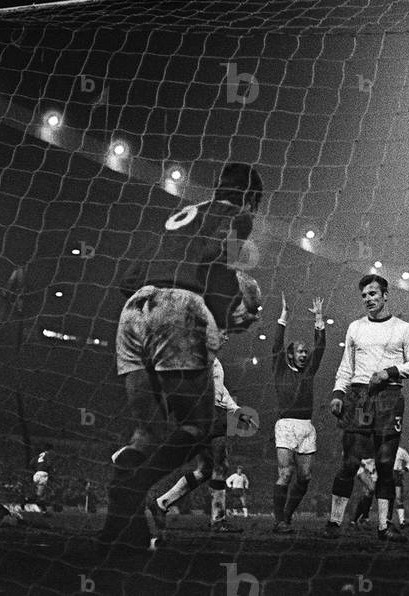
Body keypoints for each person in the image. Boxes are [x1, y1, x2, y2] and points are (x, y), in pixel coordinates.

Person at [102, 162, 263, 553]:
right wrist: (232, 312)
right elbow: (219, 264)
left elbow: (127, 280)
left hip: (133, 309)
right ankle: (135, 485)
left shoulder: (179, 216)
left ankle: (119, 529)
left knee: (146, 432)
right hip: (179, 306)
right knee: (198, 426)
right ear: (252, 199)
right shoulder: (238, 216)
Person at [324, 274, 409, 543]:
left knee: (385, 463)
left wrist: (388, 372)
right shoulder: (355, 328)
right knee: (350, 461)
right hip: (360, 397)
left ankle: (384, 527)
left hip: (389, 397)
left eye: (373, 294)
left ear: (385, 295)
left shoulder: (404, 328)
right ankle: (334, 522)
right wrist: (338, 394)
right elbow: (346, 366)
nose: (368, 299)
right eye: (364, 296)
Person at [148, 347, 256, 535]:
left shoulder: (213, 360)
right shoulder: (198, 355)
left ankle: (162, 503)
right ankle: (218, 520)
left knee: (206, 470)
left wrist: (238, 412)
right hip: (208, 413)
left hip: (210, 412)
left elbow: (221, 391)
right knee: (221, 465)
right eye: (223, 334)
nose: (226, 338)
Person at [271, 294, 326, 533]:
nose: (304, 355)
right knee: (285, 473)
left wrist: (319, 319)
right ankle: (279, 521)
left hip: (306, 426)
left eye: (306, 352)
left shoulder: (309, 372)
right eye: (300, 352)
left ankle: (287, 515)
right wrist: (283, 318)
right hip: (286, 425)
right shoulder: (280, 369)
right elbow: (276, 346)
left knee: (304, 478)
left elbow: (320, 348)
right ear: (291, 354)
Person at [393, 446, 409, 528]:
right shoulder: (385, 448)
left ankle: (402, 522)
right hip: (386, 475)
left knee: (398, 498)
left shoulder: (401, 451)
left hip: (396, 475)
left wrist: (405, 469)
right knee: (387, 499)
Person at [30, 444, 54, 513]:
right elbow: (49, 464)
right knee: (41, 494)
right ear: (50, 450)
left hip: (36, 474)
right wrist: (51, 469)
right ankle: (43, 510)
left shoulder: (39, 455)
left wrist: (37, 468)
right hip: (43, 474)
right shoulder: (48, 455)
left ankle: (27, 501)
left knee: (36, 492)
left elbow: (31, 463)